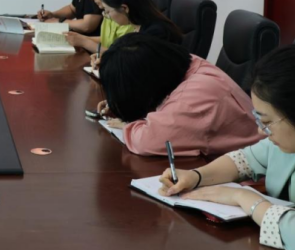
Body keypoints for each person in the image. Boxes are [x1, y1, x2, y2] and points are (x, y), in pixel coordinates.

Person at [159, 45, 295, 250]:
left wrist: (242, 197)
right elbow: (245, 159)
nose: (261, 131)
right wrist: (196, 176)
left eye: (267, 122)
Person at [97, 33, 262, 157]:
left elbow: (146, 141)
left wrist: (128, 122)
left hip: (253, 178)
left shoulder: (192, 100)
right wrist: (125, 103)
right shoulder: (182, 64)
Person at [64, 0, 135, 66]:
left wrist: (84, 42)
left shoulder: (122, 15)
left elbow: (121, 56)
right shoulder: (107, 11)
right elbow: (107, 39)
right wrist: (78, 39)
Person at [98, 0, 183, 45]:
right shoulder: (137, 26)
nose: (107, 16)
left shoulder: (154, 34)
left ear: (124, 8)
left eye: (107, 11)